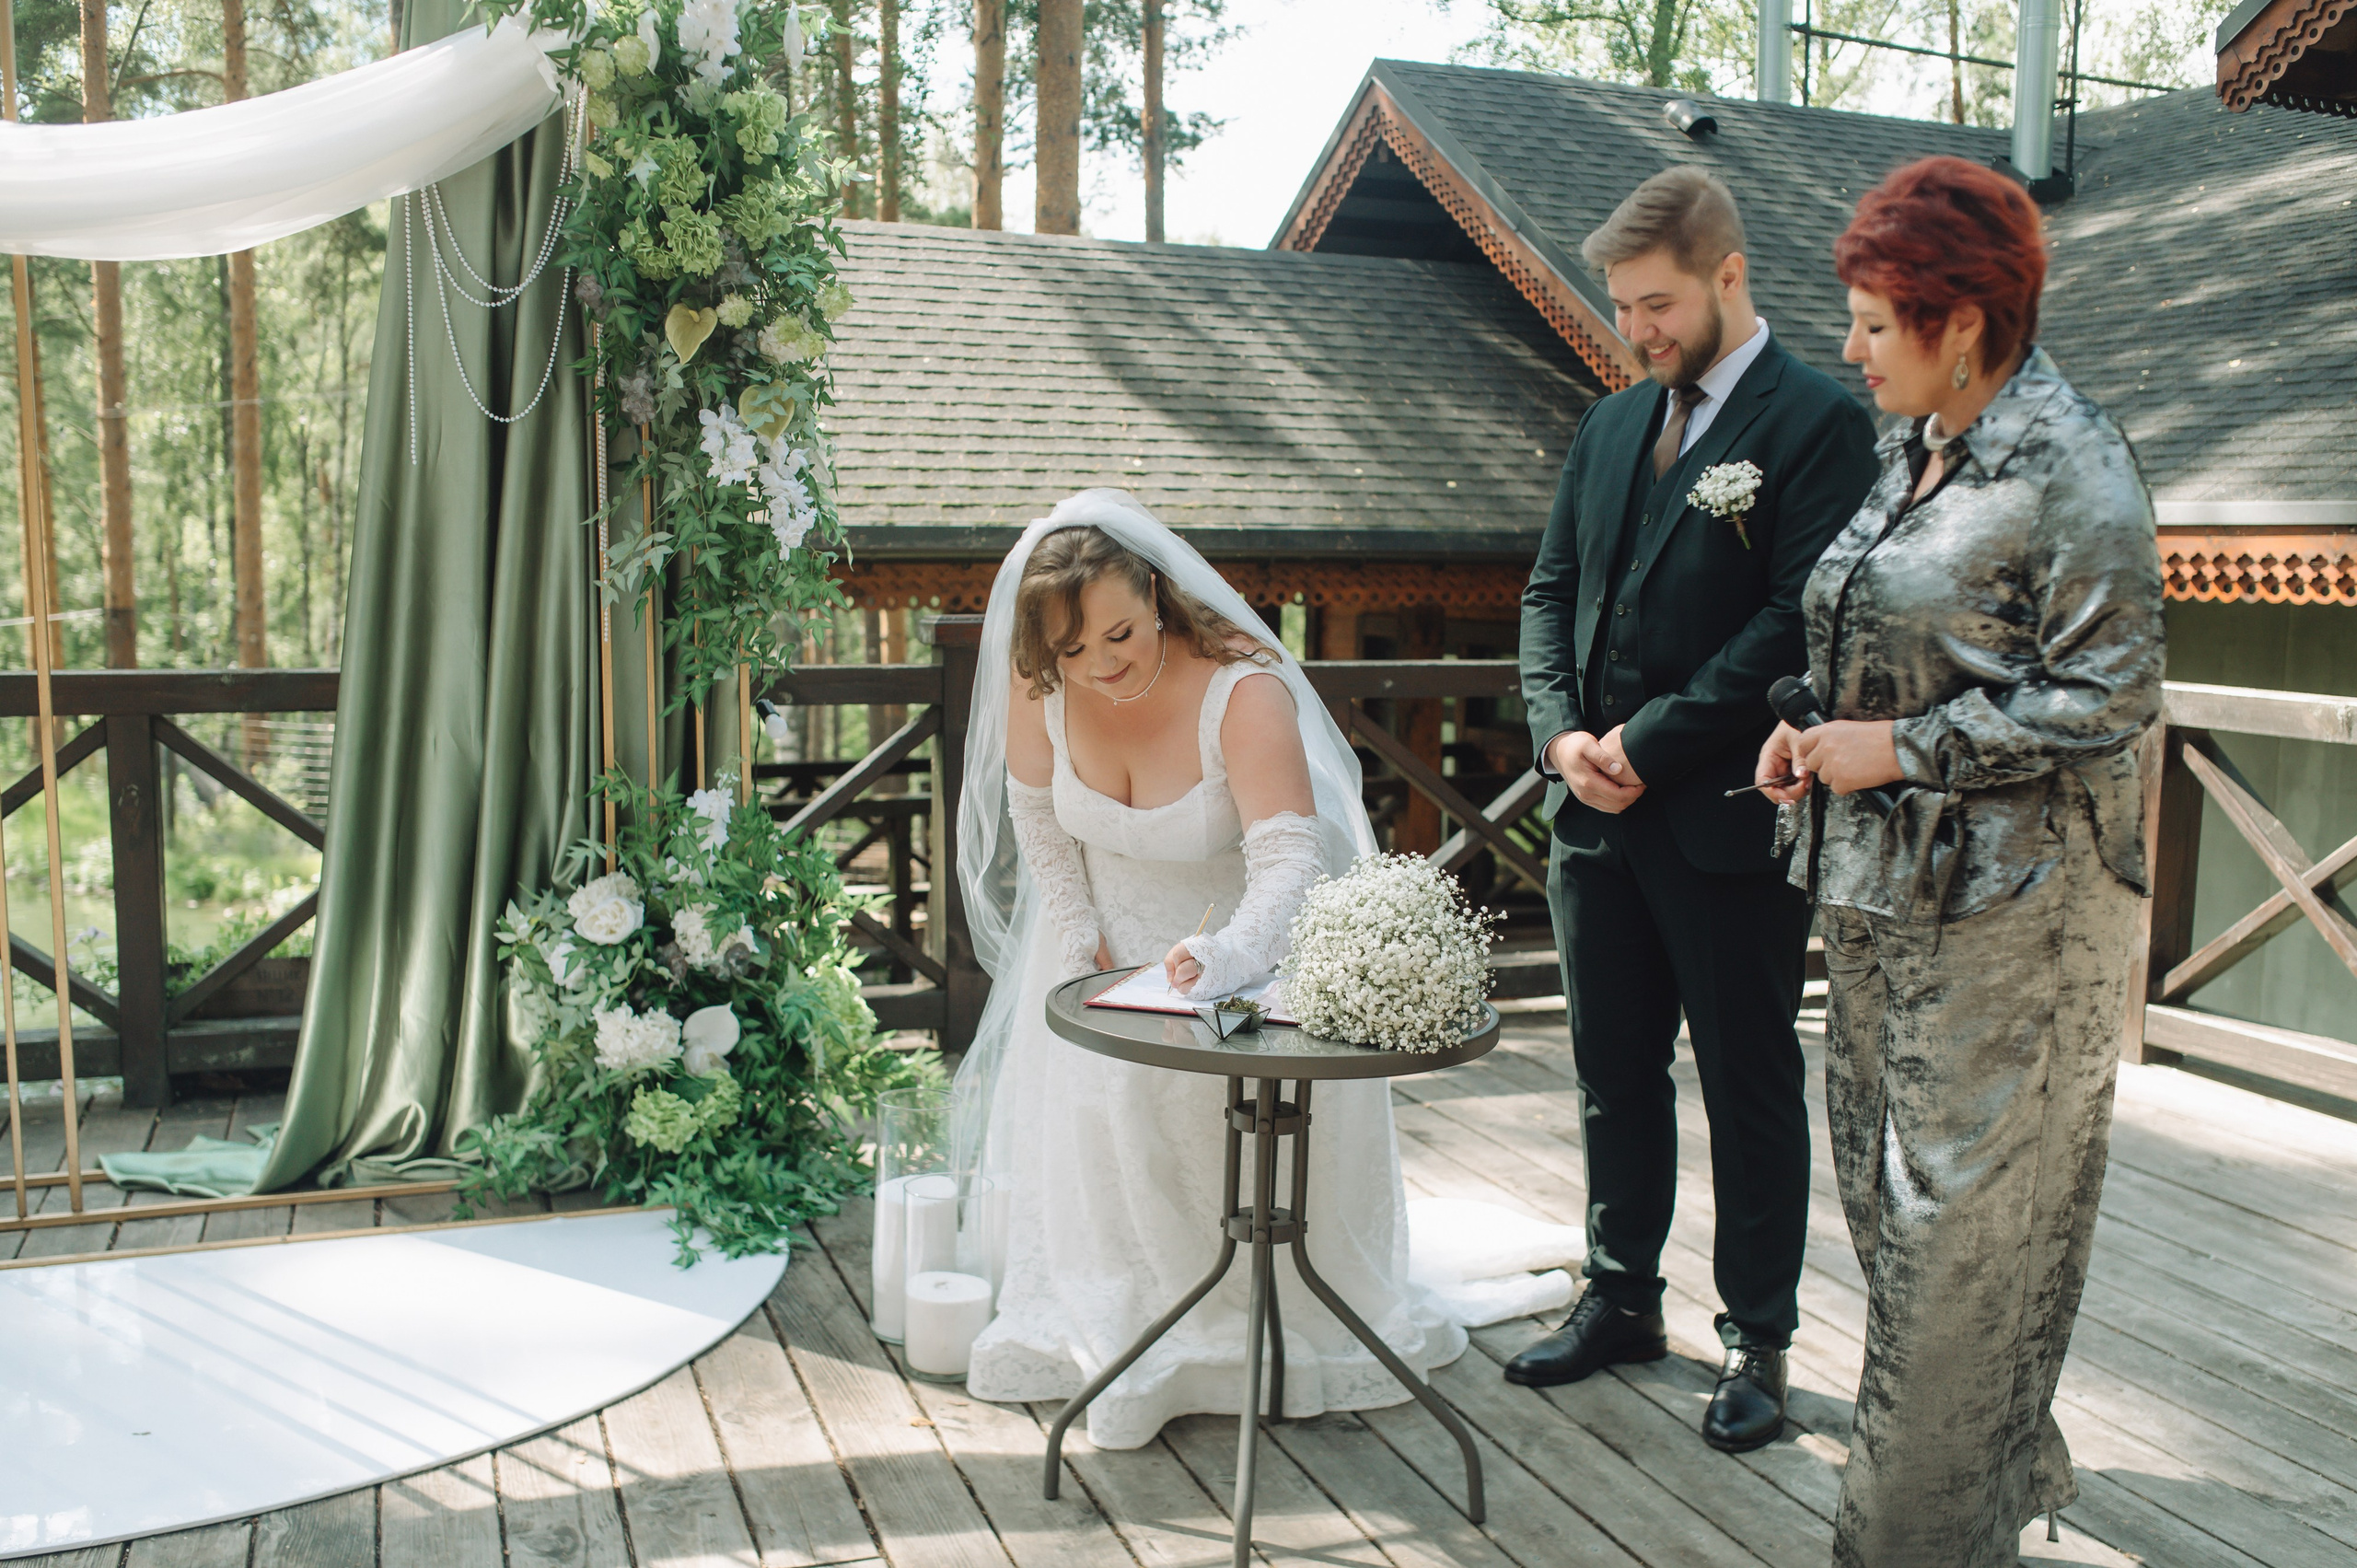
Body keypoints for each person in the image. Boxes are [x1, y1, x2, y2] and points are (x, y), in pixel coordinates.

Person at [1755, 156, 2165, 1566]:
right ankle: (1983, 1487)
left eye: (1876, 323)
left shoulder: (2077, 465)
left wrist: (1908, 747)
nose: (1852, 350)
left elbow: (2109, 696)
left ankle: (1902, 1543)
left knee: (1950, 1258)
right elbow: (1880, 637)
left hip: (2019, 918)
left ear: (1965, 325)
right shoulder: (1910, 445)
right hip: (1881, 896)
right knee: (1884, 1209)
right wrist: (1811, 735)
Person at [950, 490, 1468, 1448]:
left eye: (1118, 632)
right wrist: (1072, 937)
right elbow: (1037, 822)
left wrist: (1227, 955)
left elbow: (1288, 860)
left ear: (1154, 590)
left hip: (1239, 971)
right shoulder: (1043, 690)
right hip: (1098, 960)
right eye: (1074, 651)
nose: (1103, 665)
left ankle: (1248, 1311)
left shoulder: (1245, 686)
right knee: (1103, 1139)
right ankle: (1126, 1315)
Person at [1512, 166, 1880, 1452]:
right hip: (1593, 818)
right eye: (1623, 306)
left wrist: (1645, 743)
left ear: (1729, 275)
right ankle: (1621, 1299)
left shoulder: (1820, 423)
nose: (1638, 329)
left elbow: (1798, 616)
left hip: (1723, 815)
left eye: (1657, 303)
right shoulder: (1611, 424)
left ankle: (1758, 1336)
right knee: (1614, 1073)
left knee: (1747, 1079)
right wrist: (1564, 735)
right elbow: (1549, 589)